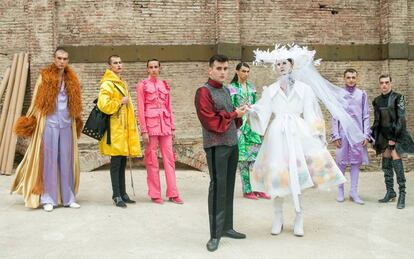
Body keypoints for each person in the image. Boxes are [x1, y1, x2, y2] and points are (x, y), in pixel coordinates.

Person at [248, 44, 365, 237]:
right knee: (278, 174)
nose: (281, 66)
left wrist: (318, 135)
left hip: (298, 133)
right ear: (275, 67)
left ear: (292, 65)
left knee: (298, 174)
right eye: (278, 63)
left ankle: (298, 217)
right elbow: (263, 110)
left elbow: (312, 113)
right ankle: (277, 217)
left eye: (284, 62)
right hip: (277, 135)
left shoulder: (304, 89)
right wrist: (252, 110)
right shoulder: (270, 90)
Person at [11, 47, 83, 211]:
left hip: (66, 123)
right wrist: (32, 119)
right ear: (54, 58)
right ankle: (48, 198)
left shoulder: (72, 79)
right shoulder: (44, 77)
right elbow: (37, 101)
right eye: (59, 58)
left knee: (66, 160)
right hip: (49, 123)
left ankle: (68, 198)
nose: (62, 61)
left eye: (65, 59)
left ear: (68, 61)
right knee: (49, 161)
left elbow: (75, 104)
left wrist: (75, 120)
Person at [194, 54, 247, 252]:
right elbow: (210, 120)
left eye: (225, 69)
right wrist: (234, 114)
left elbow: (228, 116)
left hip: (231, 143)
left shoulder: (225, 90)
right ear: (210, 70)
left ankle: (227, 227)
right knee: (217, 187)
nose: (222, 72)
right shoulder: (203, 92)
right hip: (216, 145)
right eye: (219, 68)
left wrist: (238, 112)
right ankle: (214, 235)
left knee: (229, 185)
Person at [97, 55, 142, 208]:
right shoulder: (107, 84)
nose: (118, 65)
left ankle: (123, 193)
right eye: (115, 63)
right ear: (109, 66)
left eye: (120, 62)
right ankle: (116, 195)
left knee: (122, 163)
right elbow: (103, 105)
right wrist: (119, 101)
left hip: (123, 131)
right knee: (116, 164)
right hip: (115, 131)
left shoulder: (121, 83)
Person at [136, 59, 183, 205]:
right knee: (152, 160)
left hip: (166, 125)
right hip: (150, 126)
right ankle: (155, 193)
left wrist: (172, 127)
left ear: (160, 68)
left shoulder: (164, 85)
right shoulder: (142, 85)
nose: (154, 69)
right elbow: (140, 109)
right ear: (147, 69)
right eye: (151, 67)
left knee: (170, 159)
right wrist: (143, 130)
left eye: (156, 67)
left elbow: (169, 107)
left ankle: (173, 193)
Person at [371, 74, 414, 209]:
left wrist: (393, 138)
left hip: (397, 134)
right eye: (382, 83)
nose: (384, 85)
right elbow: (377, 121)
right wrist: (372, 137)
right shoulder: (376, 101)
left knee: (396, 161)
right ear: (379, 84)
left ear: (391, 83)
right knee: (386, 164)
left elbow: (401, 119)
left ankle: (402, 193)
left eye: (387, 82)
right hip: (383, 136)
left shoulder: (398, 97)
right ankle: (390, 192)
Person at [228, 62, 269, 200]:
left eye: (247, 71)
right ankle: (247, 189)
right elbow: (230, 108)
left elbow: (255, 104)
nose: (245, 74)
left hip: (252, 124)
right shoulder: (232, 88)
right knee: (243, 159)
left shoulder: (251, 87)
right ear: (237, 72)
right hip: (239, 126)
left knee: (259, 158)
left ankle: (260, 188)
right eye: (243, 71)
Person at [331, 68, 370, 204]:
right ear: (344, 79)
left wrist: (366, 135)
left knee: (355, 162)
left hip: (357, 133)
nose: (351, 80)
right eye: (348, 77)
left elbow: (366, 115)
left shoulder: (362, 95)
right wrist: (336, 135)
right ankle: (340, 190)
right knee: (341, 162)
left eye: (353, 77)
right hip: (343, 133)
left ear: (356, 79)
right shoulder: (339, 95)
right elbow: (335, 116)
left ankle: (353, 192)